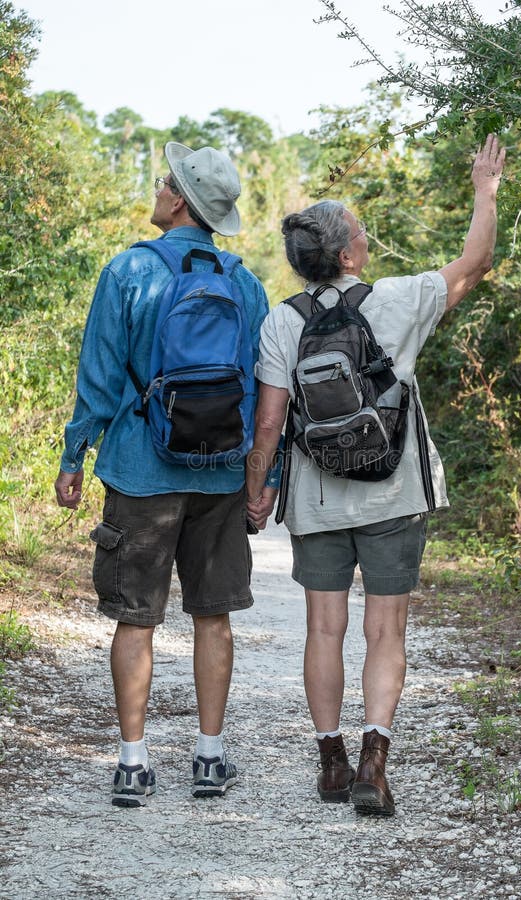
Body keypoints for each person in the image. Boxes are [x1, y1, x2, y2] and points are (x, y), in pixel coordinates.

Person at [246, 134, 506, 816]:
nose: (367, 239)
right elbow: (474, 262)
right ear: (347, 254)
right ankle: (374, 761)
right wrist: (485, 189)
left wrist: (257, 491)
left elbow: (269, 424)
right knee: (385, 630)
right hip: (393, 493)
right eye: (362, 233)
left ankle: (330, 762)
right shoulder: (397, 300)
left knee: (323, 629)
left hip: (318, 498)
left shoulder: (282, 323)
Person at [55, 143, 270, 807]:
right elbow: (265, 392)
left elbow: (98, 376)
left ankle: (131, 763)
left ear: (177, 199)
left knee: (136, 620)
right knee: (214, 619)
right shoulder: (245, 283)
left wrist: (74, 456)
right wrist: (263, 476)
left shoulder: (126, 273)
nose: (156, 188)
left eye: (162, 182)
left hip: (140, 471)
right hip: (220, 476)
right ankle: (208, 758)